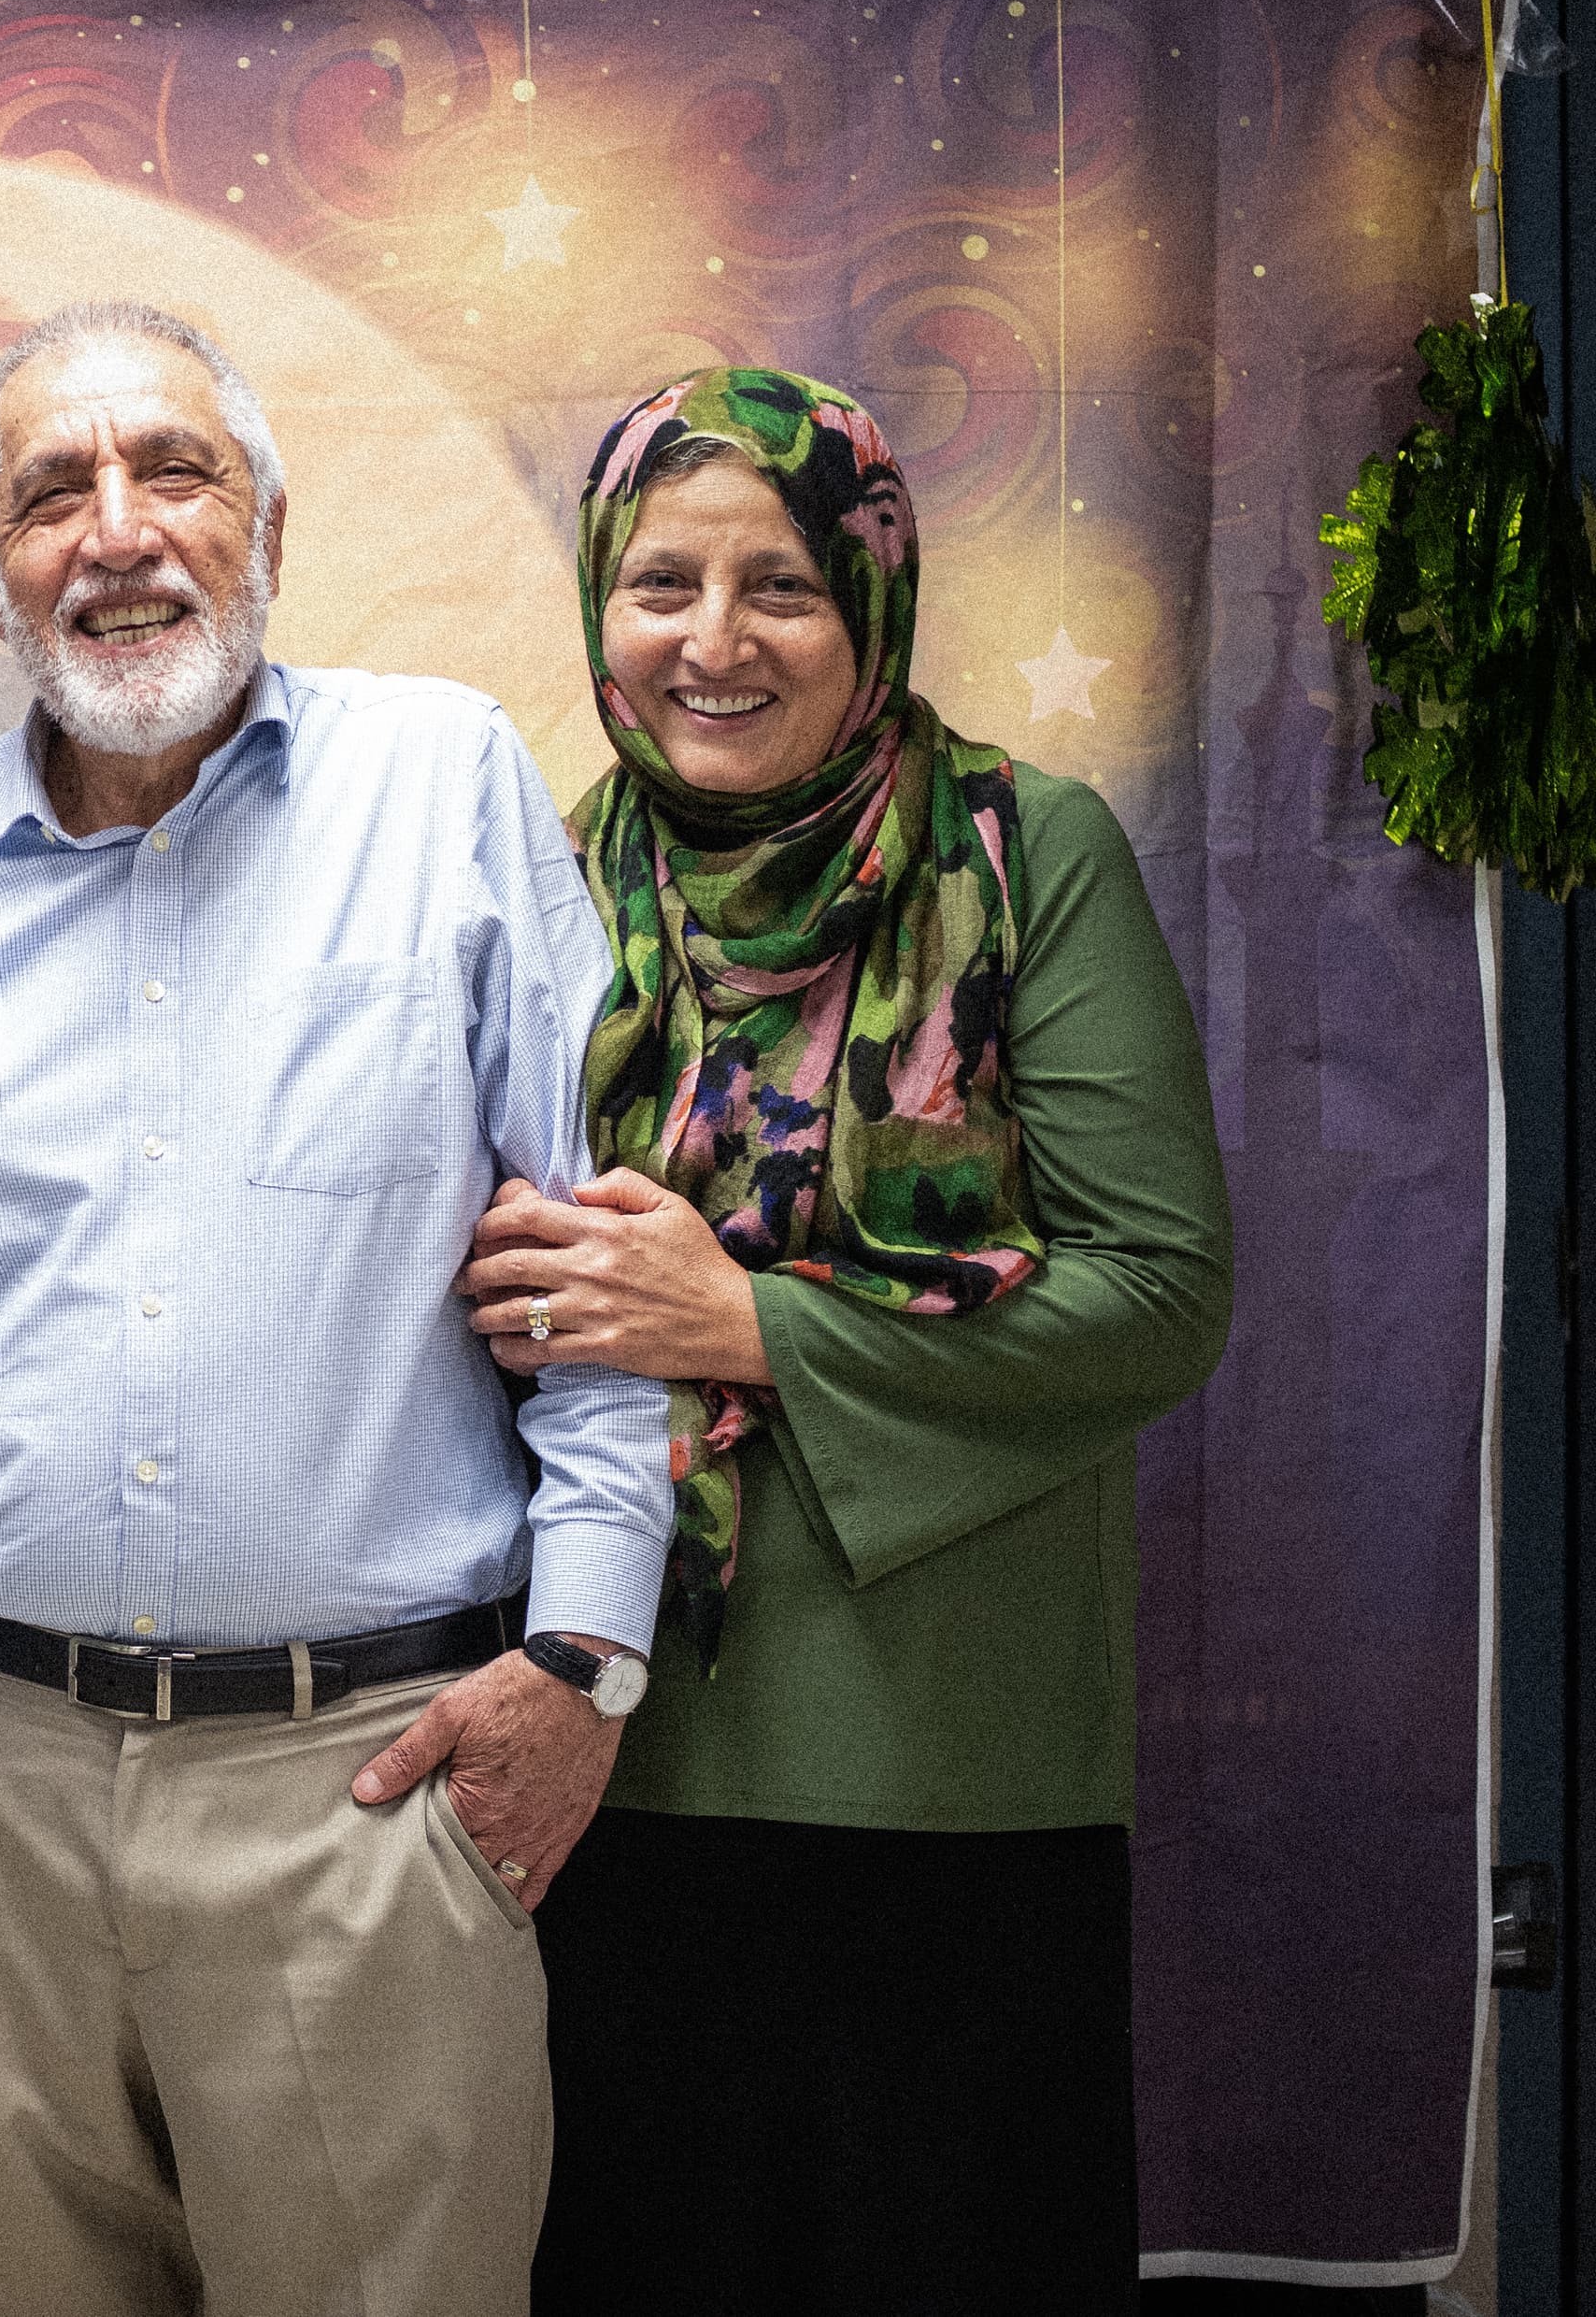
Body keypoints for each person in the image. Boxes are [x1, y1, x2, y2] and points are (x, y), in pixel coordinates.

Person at [0, 298, 675, 2316]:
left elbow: (602, 1268)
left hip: (365, 1796)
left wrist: (586, 1656)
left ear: (273, 528)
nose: (116, 531)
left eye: (176, 472)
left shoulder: (447, 793)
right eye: (51, 494)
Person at [452, 368, 1233, 2313]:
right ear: (595, 607)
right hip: (610, 1758)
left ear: (872, 600)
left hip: (948, 1768)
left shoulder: (1026, 852)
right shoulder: (539, 881)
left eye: (780, 586)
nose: (712, 643)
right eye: (661, 585)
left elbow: (1160, 1288)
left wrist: (751, 1319)